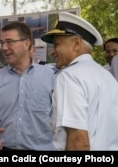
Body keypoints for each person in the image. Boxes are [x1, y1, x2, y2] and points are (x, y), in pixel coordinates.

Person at [0, 22, 55, 151]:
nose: (4, 48)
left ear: (26, 44)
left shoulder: (51, 77)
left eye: (9, 42)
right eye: (1, 43)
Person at [41, 12, 118, 150]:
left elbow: (78, 141)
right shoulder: (107, 77)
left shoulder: (69, 76)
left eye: (56, 45)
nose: (52, 52)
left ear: (76, 44)